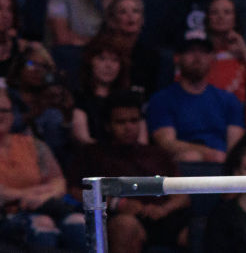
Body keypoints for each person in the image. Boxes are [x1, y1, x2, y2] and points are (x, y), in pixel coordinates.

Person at [67, 89, 189, 253]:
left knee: (206, 228)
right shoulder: (92, 154)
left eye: (134, 121)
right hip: (120, 219)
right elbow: (76, 191)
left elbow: (182, 196)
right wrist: (118, 203)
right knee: (125, 225)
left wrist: (163, 209)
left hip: (164, 219)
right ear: (108, 126)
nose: (129, 127)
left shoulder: (158, 154)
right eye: (121, 122)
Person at [0, 87, 86, 250]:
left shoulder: (32, 144)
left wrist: (43, 197)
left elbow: (58, 182)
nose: (1, 115)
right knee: (42, 226)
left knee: (79, 222)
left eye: (5, 110)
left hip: (45, 207)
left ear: (12, 115)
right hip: (7, 215)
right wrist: (30, 195)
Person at [147, 27, 246, 162]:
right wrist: (209, 154)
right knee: (190, 157)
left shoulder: (229, 100)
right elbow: (167, 143)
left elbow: (235, 147)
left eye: (203, 52)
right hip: (182, 169)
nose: (197, 57)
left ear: (212, 58)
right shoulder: (161, 100)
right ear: (177, 58)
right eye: (190, 51)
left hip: (223, 167)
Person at [69, 33, 132, 144]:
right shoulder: (79, 99)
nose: (108, 66)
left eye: (115, 60)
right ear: (90, 62)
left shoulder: (129, 98)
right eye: (102, 59)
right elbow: (82, 138)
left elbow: (141, 141)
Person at [206, 0, 246, 104]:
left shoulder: (243, 53)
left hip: (236, 111)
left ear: (235, 19)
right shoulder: (198, 50)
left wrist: (244, 48)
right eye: (214, 12)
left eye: (227, 12)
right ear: (208, 18)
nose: (220, 16)